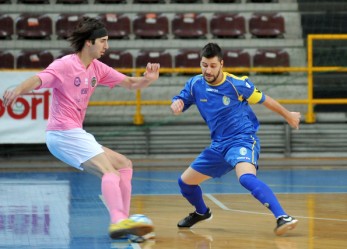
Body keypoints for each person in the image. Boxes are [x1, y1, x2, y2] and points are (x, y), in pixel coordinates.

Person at [2, 17, 160, 239]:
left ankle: (123, 220)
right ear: (89, 42)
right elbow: (39, 79)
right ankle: (117, 221)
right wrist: (18, 89)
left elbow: (131, 83)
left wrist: (148, 80)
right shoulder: (65, 65)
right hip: (62, 133)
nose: (107, 46)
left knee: (124, 164)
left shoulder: (97, 68)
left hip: (73, 133)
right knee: (109, 172)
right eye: (103, 41)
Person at [170, 43, 300, 236]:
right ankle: (202, 212)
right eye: (204, 65)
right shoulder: (195, 84)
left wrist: (288, 114)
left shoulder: (237, 84)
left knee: (246, 178)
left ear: (221, 64)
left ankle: (282, 217)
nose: (208, 70)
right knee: (185, 183)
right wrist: (176, 104)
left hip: (242, 140)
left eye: (213, 65)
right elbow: (180, 98)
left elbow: (265, 99)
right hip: (218, 146)